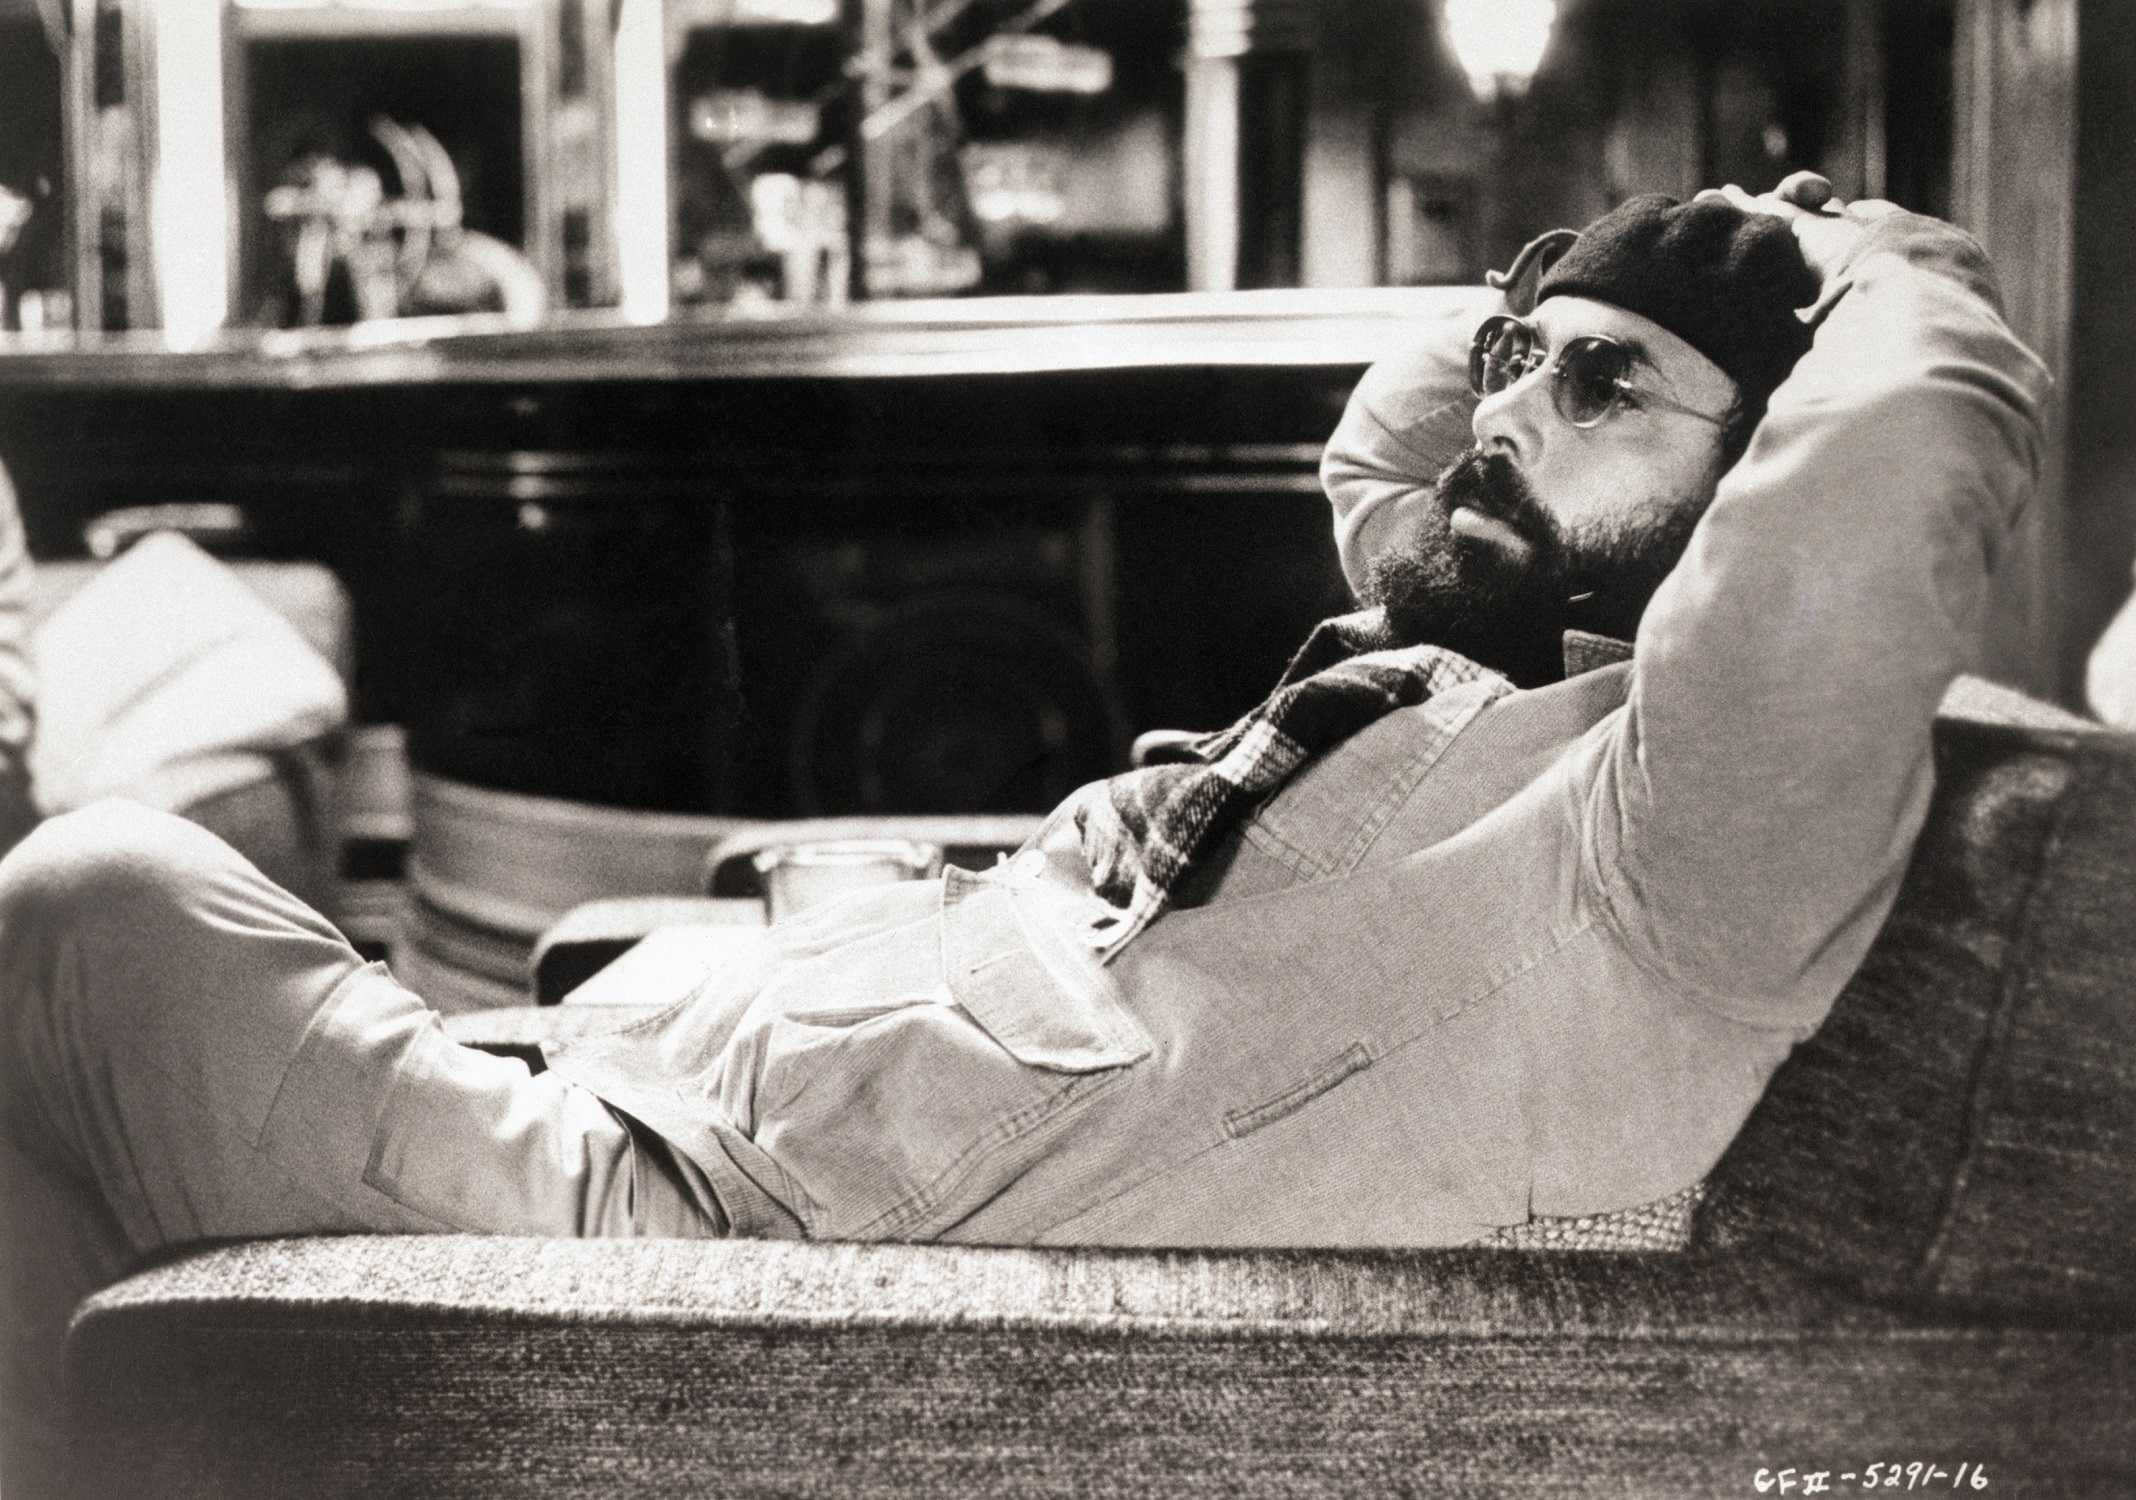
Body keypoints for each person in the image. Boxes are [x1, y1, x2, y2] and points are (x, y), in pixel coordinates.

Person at [0, 172, 2047, 1496]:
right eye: (1518, 362)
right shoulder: (1476, 645)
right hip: (667, 1112)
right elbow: (1391, 449)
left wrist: (1874, 261)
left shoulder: (1671, 847)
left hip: (718, 1271)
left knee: (93, 898)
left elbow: (1905, 454)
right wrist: (1606, 280)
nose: (1505, 411)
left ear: (1765, 488)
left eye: (1603, 386)